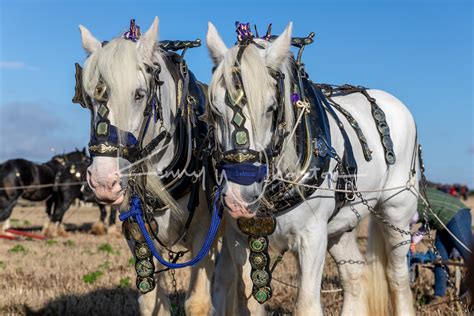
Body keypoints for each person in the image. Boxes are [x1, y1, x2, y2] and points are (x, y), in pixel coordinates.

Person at [412, 187, 472, 303]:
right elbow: (428, 222)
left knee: (469, 255)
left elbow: (407, 221)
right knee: (439, 259)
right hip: (442, 222)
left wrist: (410, 240)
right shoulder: (414, 196)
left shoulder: (408, 200)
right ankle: (439, 296)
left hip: (456, 214)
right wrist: (413, 241)